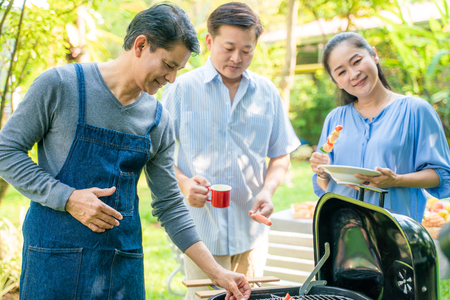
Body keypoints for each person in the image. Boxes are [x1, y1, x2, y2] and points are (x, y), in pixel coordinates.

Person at [0, 3, 251, 300]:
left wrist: (217, 273)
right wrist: (67, 198)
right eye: (169, 65)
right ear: (140, 45)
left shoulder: (158, 119)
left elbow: (170, 204)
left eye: (178, 70)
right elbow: (6, 151)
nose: (171, 79)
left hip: (121, 269)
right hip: (54, 263)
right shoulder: (60, 86)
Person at [161, 3, 300, 299]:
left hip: (250, 231)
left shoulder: (267, 92)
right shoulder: (181, 89)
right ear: (210, 41)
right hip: (200, 232)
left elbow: (281, 153)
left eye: (246, 50)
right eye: (228, 48)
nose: (237, 58)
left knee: (251, 296)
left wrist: (268, 190)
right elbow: (157, 155)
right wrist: (185, 184)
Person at [309, 32, 450, 222]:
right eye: (341, 72)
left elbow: (441, 175)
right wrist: (321, 171)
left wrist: (396, 180)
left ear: (374, 55)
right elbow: (326, 185)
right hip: (344, 234)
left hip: (396, 232)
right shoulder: (335, 119)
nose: (353, 74)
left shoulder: (416, 110)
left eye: (356, 61)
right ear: (337, 82)